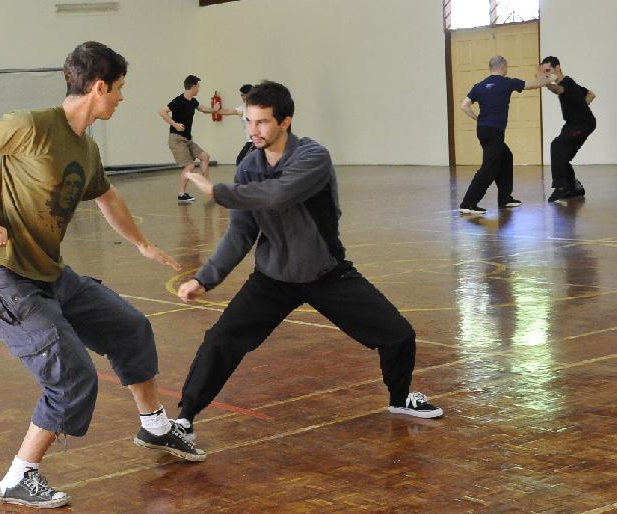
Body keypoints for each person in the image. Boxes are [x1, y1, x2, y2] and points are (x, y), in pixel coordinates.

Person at [0, 41, 205, 510]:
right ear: (99, 87)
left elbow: (108, 199)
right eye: (119, 89)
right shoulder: (31, 126)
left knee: (130, 328)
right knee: (72, 375)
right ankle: (19, 477)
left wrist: (143, 244)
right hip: (4, 279)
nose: (122, 99)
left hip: (49, 275)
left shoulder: (86, 148)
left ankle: (155, 427)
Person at [171, 80, 443, 442]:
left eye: (262, 122)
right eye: (249, 122)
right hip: (272, 278)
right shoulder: (248, 167)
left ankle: (400, 399)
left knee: (399, 335)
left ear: (285, 122)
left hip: (325, 273)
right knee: (221, 340)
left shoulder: (312, 157)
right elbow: (240, 233)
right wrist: (205, 278)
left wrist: (218, 192)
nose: (253, 131)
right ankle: (185, 420)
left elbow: (279, 194)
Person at [459, 56, 554, 214]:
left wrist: (478, 118)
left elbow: (464, 105)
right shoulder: (507, 82)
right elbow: (532, 85)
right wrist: (550, 78)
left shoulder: (479, 85)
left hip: (483, 130)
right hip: (495, 131)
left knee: (506, 157)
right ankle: (468, 203)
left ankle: (505, 198)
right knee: (489, 168)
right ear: (503, 67)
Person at [540, 56, 597, 202]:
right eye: (543, 71)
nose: (546, 74)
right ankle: (574, 187)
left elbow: (558, 89)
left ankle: (561, 188)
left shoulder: (567, 82)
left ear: (557, 68)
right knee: (563, 154)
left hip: (582, 124)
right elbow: (591, 94)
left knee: (557, 145)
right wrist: (580, 107)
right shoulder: (571, 84)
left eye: (548, 70)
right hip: (572, 124)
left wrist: (545, 83)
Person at [158, 75, 220, 204]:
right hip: (177, 139)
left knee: (204, 157)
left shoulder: (192, 101)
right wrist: (174, 124)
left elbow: (201, 108)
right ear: (193, 86)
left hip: (187, 139)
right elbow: (162, 112)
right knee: (189, 166)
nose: (199, 88)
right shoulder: (178, 101)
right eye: (198, 86)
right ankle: (181, 194)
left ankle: (208, 187)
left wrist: (214, 110)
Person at [217, 83, 255, 165]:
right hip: (251, 140)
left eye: (244, 95)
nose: (243, 97)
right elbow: (228, 111)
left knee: (241, 161)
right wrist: (215, 110)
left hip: (256, 140)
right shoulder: (243, 107)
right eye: (241, 95)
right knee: (243, 161)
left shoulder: (259, 107)